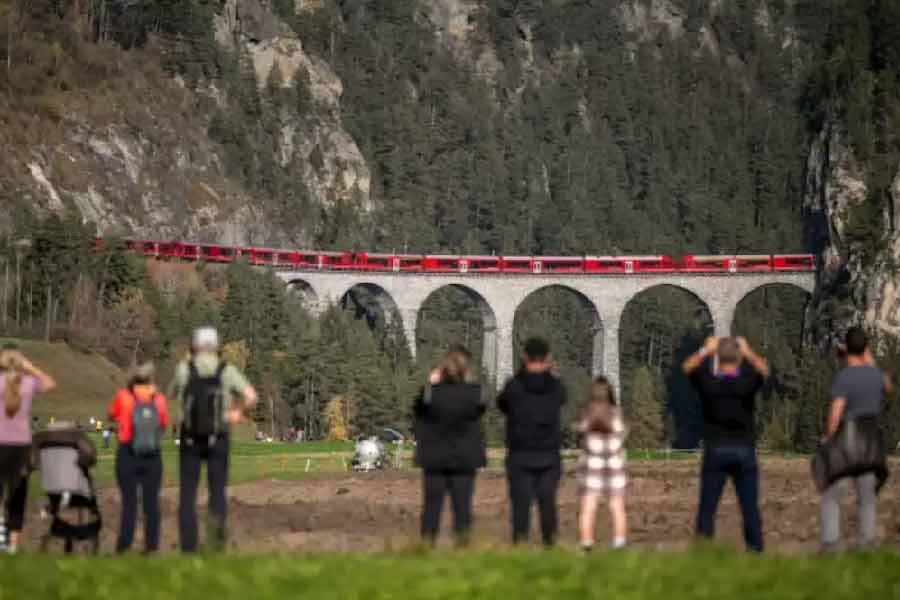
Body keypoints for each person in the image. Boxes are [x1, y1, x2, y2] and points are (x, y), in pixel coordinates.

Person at [169, 326, 257, 552]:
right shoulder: (225, 370)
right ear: (216, 346)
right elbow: (251, 396)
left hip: (190, 437)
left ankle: (188, 546)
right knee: (217, 491)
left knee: (188, 492)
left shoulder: (184, 369)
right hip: (219, 435)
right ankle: (216, 543)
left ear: (194, 346)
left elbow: (171, 397)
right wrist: (236, 412)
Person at [682, 336, 769, 552]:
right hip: (744, 449)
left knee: (707, 506)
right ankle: (755, 550)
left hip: (715, 449)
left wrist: (705, 350)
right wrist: (748, 352)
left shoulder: (709, 382)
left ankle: (703, 550)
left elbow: (687, 367)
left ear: (717, 358)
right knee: (749, 506)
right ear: (738, 358)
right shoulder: (747, 381)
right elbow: (764, 370)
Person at [817, 327, 893, 552]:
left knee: (833, 492)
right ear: (865, 348)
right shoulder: (875, 375)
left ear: (847, 348)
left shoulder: (845, 377)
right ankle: (866, 543)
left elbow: (835, 412)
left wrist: (828, 438)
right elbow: (889, 387)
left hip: (848, 438)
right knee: (867, 495)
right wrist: (870, 359)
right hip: (871, 440)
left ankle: (831, 544)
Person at [414, 347, 486, 547]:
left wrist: (431, 383)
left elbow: (418, 410)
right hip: (464, 458)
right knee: (462, 506)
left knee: (431, 506)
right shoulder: (475, 393)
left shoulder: (431, 394)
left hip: (435, 458)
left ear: (443, 369)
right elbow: (481, 409)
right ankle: (462, 546)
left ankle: (427, 545)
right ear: (465, 370)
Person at [498, 337, 566, 547]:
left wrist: (521, 373)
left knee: (520, 505)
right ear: (548, 359)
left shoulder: (514, 387)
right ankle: (550, 545)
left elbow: (502, 404)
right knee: (548, 504)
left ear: (524, 357)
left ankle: (520, 545)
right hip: (548, 456)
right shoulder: (556, 387)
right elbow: (562, 399)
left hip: (520, 455)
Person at [108, 362, 169, 553]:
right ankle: (151, 547)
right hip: (152, 454)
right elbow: (163, 424)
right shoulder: (158, 399)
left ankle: (124, 545)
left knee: (129, 503)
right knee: (151, 503)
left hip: (127, 452)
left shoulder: (123, 397)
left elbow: (111, 415)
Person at [0, 350, 56, 553]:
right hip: (20, 447)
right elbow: (50, 383)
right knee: (16, 496)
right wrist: (31, 368)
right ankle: (12, 546)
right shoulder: (28, 383)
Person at [576, 377, 628, 551]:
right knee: (617, 507)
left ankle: (586, 543)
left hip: (592, 464)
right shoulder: (616, 413)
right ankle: (619, 542)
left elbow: (582, 437)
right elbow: (621, 436)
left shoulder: (587, 413)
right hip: (614, 464)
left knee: (588, 507)